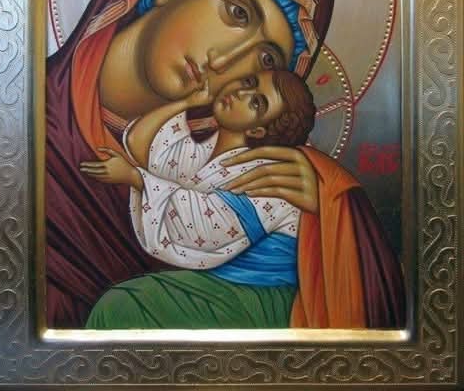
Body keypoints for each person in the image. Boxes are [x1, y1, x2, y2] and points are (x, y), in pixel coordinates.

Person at [47, 0, 405, 329]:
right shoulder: (28, 128)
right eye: (238, 13)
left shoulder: (266, 168)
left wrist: (328, 210)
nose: (228, 62)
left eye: (267, 58)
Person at [80, 70, 315, 280]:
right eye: (248, 82)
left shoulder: (265, 175)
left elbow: (205, 225)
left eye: (255, 102)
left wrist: (136, 178)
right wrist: (187, 102)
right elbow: (141, 145)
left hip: (242, 292)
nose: (240, 92)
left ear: (257, 130)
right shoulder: (202, 151)